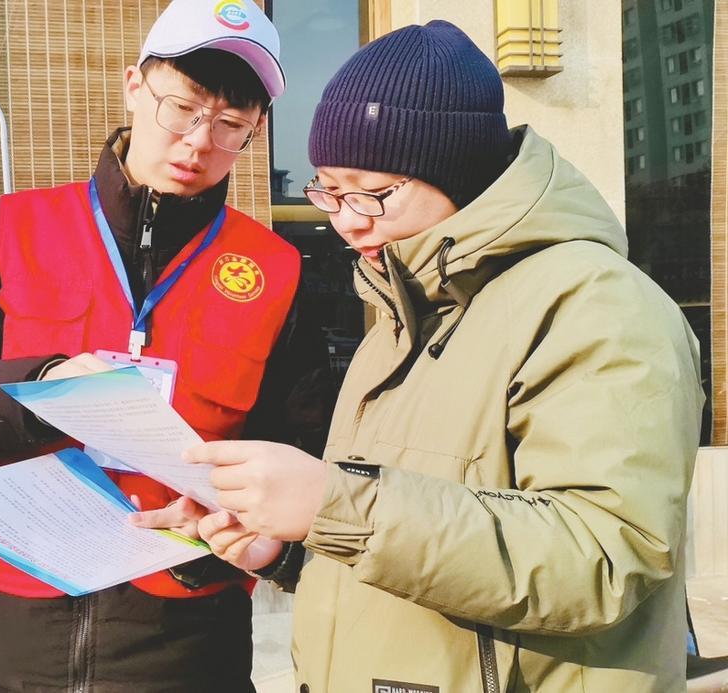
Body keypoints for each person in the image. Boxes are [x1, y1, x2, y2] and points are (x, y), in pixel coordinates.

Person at [187, 20, 706, 693]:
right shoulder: (399, 317)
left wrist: (336, 505)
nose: (346, 219)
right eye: (328, 190)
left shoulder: (596, 306)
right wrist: (286, 551)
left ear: (458, 174)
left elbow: (606, 557)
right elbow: (405, 546)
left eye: (371, 192)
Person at [0, 1, 334, 690]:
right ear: (134, 86)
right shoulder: (13, 228)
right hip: (6, 642)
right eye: (181, 108)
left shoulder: (274, 270)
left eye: (230, 126)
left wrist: (239, 528)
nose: (198, 142)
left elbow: (305, 455)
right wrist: (46, 384)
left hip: (185, 650)